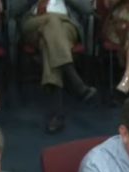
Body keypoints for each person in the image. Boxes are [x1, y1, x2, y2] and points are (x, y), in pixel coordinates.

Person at [21, 0, 97, 134]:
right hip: (34, 24)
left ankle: (56, 113)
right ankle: (75, 81)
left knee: (48, 41)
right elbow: (13, 9)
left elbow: (87, 9)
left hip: (66, 24)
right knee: (52, 21)